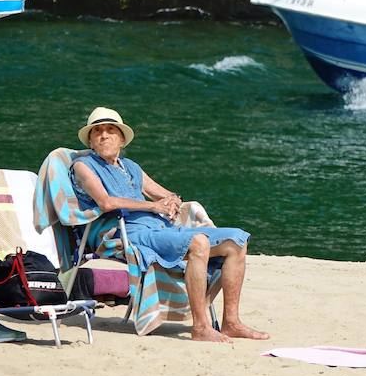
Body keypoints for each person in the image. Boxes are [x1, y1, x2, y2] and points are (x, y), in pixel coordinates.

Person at [69, 106, 268, 344]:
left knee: (236, 240)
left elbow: (164, 193)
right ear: (90, 141)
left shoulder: (130, 166)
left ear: (122, 139)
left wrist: (172, 200)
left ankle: (231, 322)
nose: (104, 135)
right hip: (127, 233)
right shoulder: (84, 165)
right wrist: (153, 207)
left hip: (160, 229)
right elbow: (106, 202)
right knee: (198, 242)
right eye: (97, 131)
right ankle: (201, 327)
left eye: (110, 130)